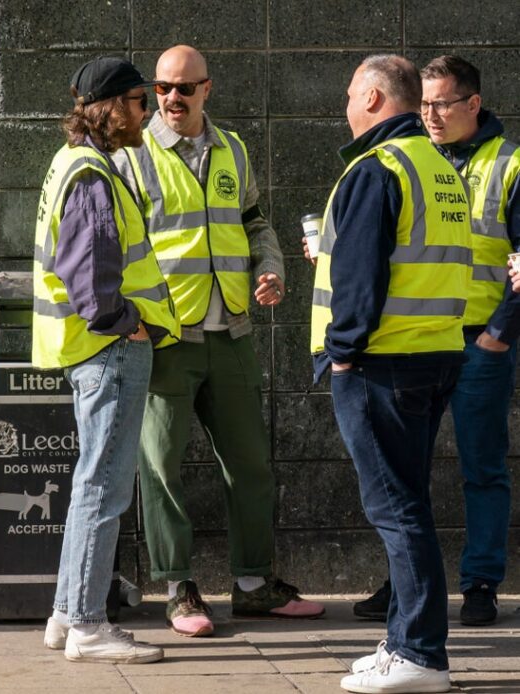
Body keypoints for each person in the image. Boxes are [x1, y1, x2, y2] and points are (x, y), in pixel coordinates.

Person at [112, 44, 323, 638]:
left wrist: (271, 266)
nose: (171, 99)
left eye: (184, 88)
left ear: (208, 89)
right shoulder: (132, 154)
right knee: (161, 466)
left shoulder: (232, 149)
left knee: (251, 464)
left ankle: (254, 585)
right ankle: (179, 589)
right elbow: (119, 239)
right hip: (167, 335)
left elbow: (254, 221)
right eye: (161, 89)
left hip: (230, 330)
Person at [311, 55, 472, 694]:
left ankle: (420, 654)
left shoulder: (376, 168)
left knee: (397, 508)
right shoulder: (439, 167)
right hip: (434, 355)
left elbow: (360, 278)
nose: (346, 105)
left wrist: (343, 352)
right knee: (408, 502)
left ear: (376, 98)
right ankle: (404, 640)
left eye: (352, 94)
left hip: (380, 364)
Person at [351, 55, 520, 628]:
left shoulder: (508, 164)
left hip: (479, 341)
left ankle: (479, 584)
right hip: (420, 339)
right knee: (402, 472)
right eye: (423, 103)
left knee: (483, 466)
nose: (430, 114)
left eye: (442, 103)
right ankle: (404, 586)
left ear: (473, 104)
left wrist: (499, 334)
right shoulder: (417, 157)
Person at [31, 56, 180, 664]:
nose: (147, 111)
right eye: (142, 99)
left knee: (91, 483)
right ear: (113, 106)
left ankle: (68, 614)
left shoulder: (74, 163)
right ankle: (91, 625)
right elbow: (91, 279)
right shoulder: (93, 172)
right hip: (110, 349)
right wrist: (131, 326)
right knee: (105, 487)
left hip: (93, 351)